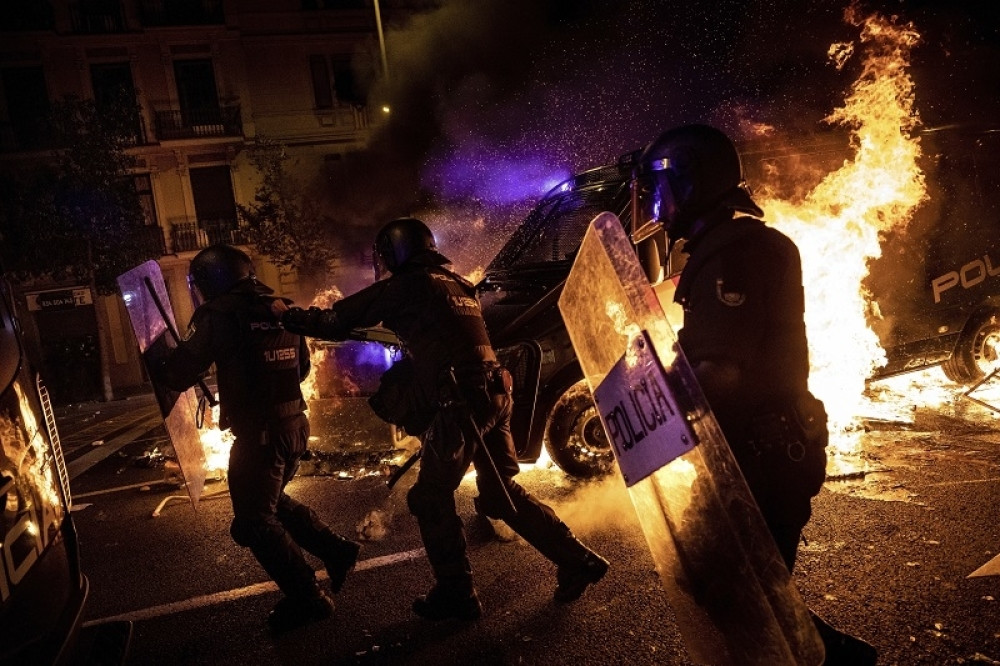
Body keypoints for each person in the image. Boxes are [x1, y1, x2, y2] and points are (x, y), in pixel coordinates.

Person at [276, 217, 609, 621]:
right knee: (499, 493)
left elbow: (337, 321)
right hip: (494, 394)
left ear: (396, 252)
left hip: (462, 403)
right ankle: (578, 560)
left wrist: (290, 316)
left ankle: (457, 595)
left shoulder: (411, 284)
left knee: (430, 498)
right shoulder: (456, 284)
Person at [631, 124, 878, 665]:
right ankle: (835, 658)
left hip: (765, 459)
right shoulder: (727, 247)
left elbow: (721, 371)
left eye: (659, 187)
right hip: (753, 453)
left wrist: (651, 406)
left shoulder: (736, 254)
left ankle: (831, 659)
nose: (653, 203)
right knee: (739, 590)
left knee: (740, 596)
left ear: (690, 182)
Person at [154, 244, 361, 632]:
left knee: (253, 522)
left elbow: (178, 372)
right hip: (294, 426)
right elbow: (301, 370)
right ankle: (336, 550)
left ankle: (308, 597)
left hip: (260, 436)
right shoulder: (280, 307)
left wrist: (158, 360)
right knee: (271, 503)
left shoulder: (217, 314)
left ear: (210, 280)